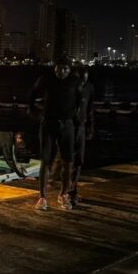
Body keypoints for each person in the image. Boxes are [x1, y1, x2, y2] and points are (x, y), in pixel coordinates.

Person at [29, 58, 83, 210]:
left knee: (68, 162)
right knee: (45, 160)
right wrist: (34, 109)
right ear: (54, 68)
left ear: (70, 69)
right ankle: (42, 197)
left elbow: (80, 103)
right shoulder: (46, 79)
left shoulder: (75, 81)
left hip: (67, 125)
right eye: (59, 68)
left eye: (66, 68)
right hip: (48, 123)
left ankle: (63, 194)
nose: (62, 71)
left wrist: (77, 123)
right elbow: (32, 93)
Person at [68, 65, 94, 207]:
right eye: (80, 81)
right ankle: (67, 191)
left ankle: (73, 190)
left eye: (85, 80)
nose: (82, 84)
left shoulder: (89, 88)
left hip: (81, 127)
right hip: (68, 127)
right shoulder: (68, 88)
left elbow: (90, 109)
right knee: (68, 160)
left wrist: (90, 127)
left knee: (78, 161)